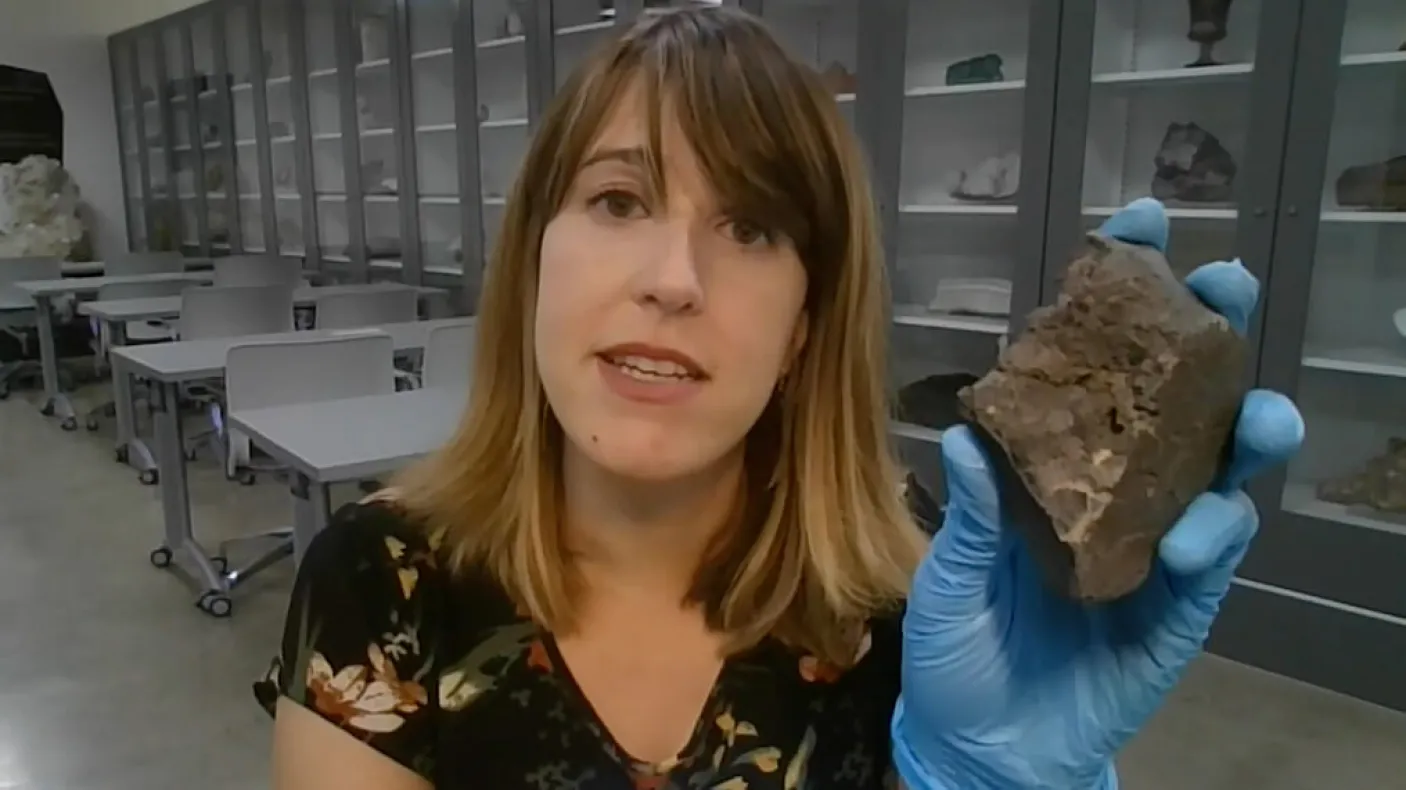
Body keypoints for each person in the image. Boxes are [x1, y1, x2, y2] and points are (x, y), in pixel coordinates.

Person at [259, 6, 1304, 789]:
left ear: (805, 322)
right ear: (534, 257)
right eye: (618, 200)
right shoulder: (382, 582)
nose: (672, 277)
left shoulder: (916, 603)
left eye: (750, 227)